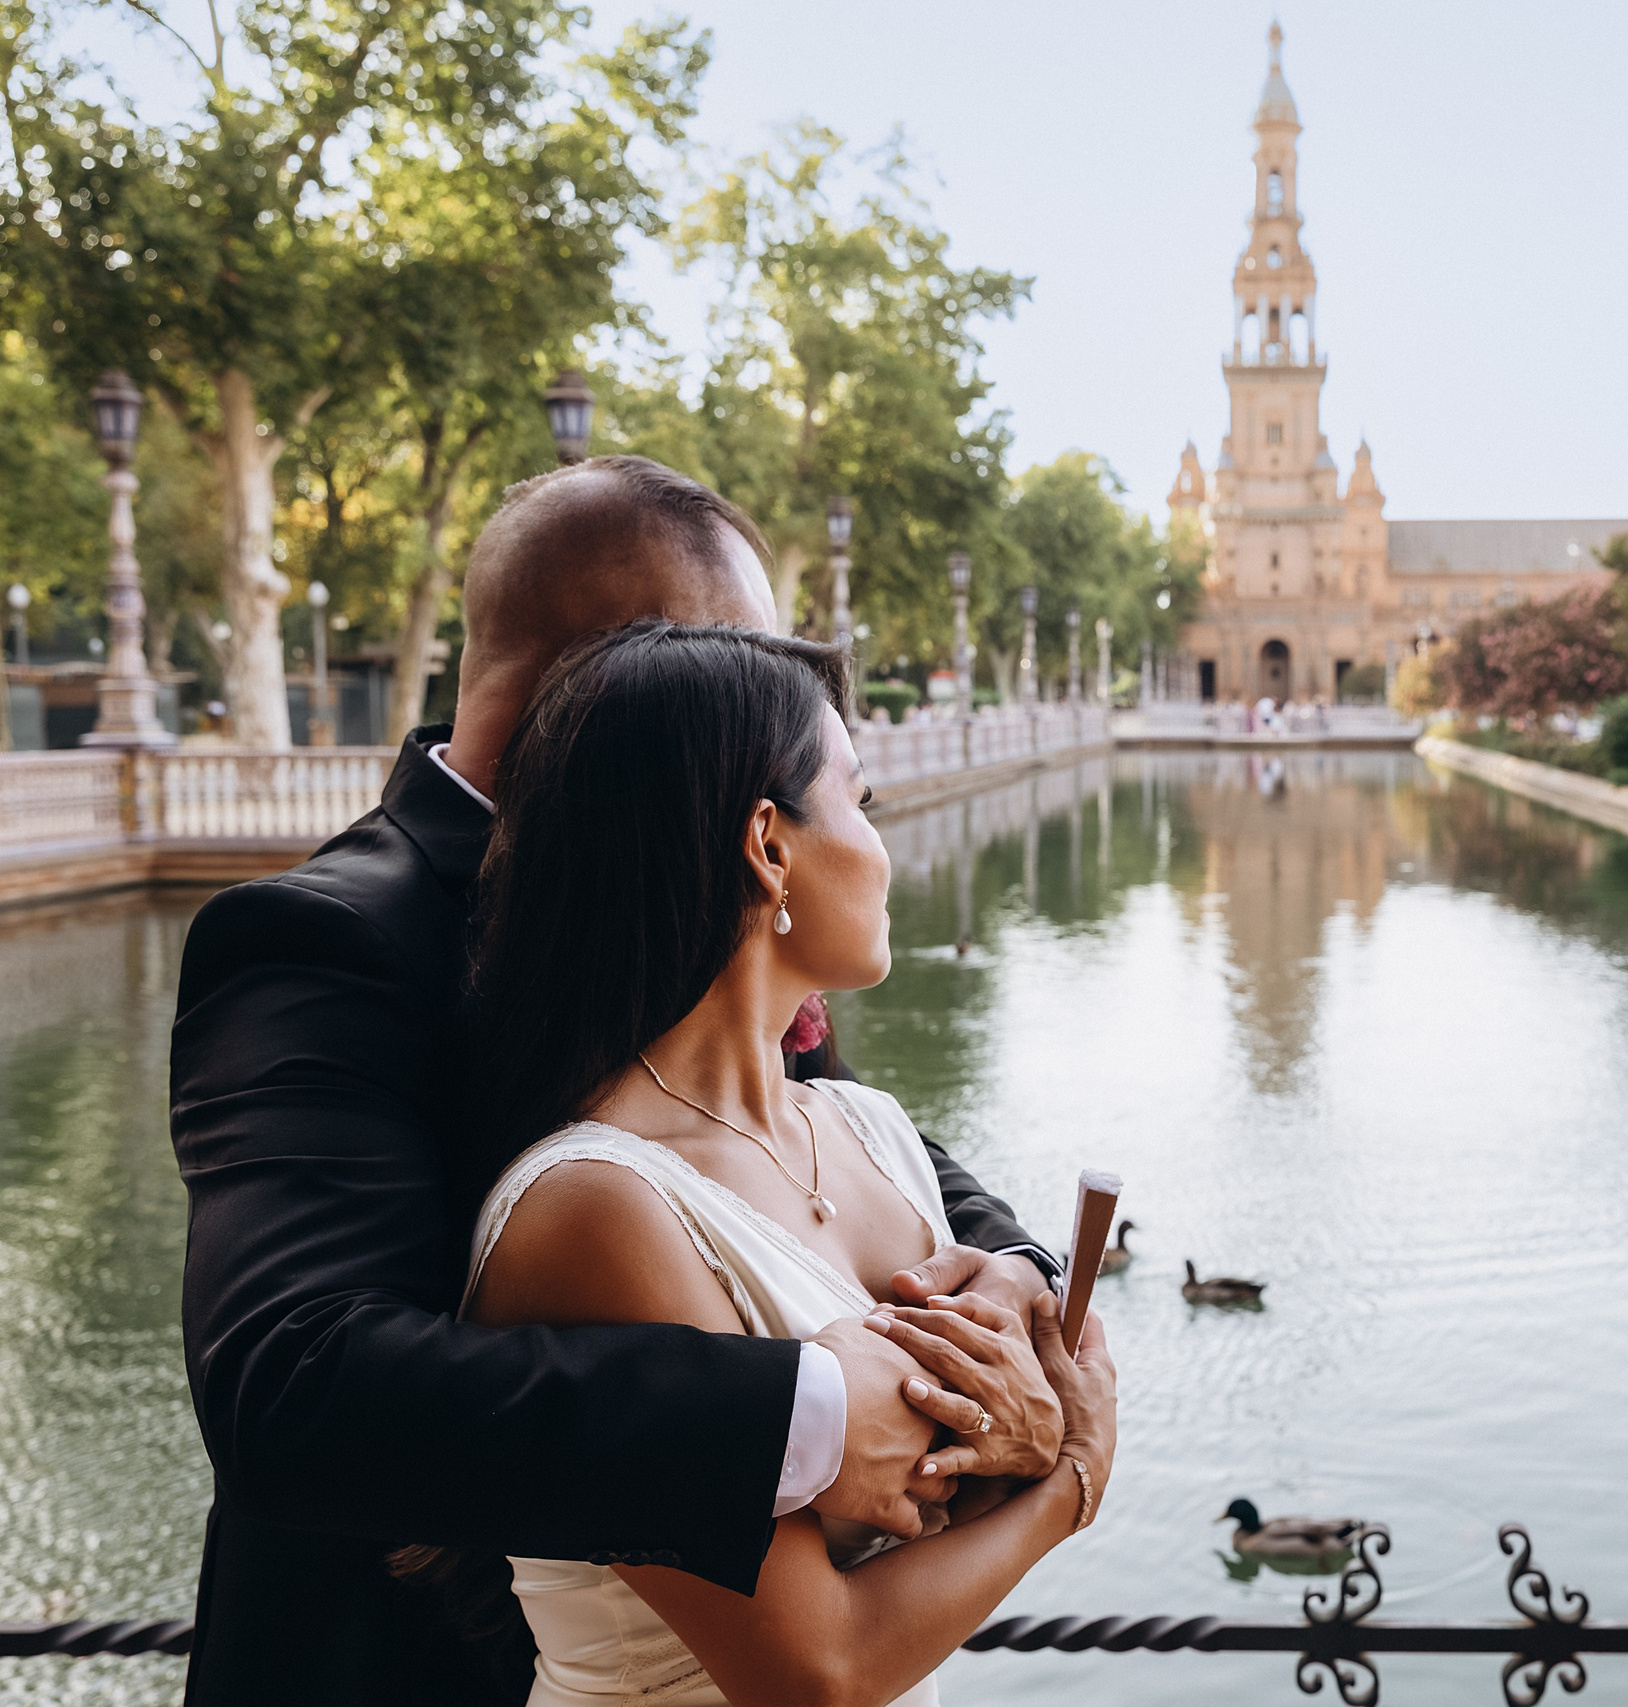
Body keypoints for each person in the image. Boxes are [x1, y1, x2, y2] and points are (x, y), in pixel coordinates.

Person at [169, 458, 1062, 1706]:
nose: (759, 705)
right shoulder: (317, 938)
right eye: (742, 669)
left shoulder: (711, 903)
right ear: (634, 673)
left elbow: (797, 1137)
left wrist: (1018, 1277)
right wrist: (800, 1411)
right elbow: (292, 1385)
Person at [462, 620, 1116, 1704]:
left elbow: (985, 1460)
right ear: (769, 846)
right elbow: (818, 1668)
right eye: (861, 801)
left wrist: (1027, 1360)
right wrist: (1072, 1487)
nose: (883, 840)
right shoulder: (596, 1208)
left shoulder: (872, 1131)